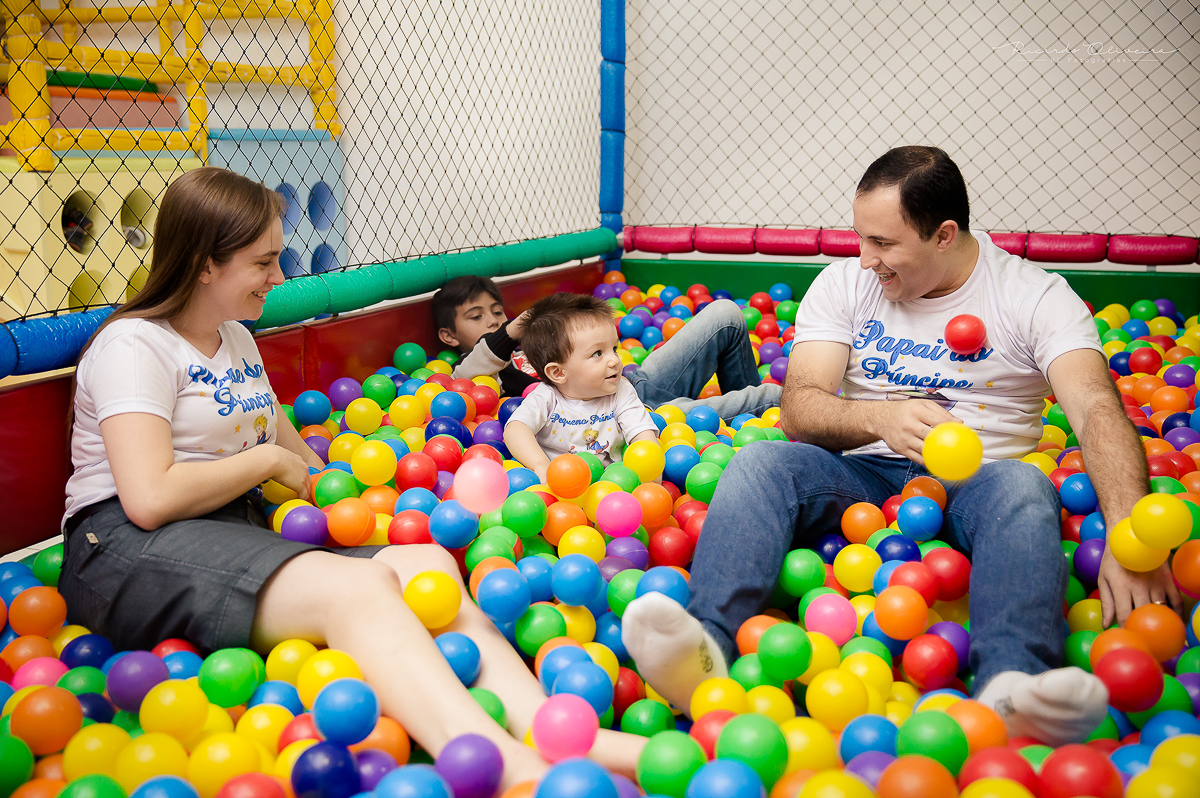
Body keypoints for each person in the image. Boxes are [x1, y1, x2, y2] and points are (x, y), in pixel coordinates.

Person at [58, 167, 643, 788]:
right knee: (360, 588)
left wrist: (360, 502)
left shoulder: (234, 340)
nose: (279, 278)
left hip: (234, 528)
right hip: (125, 548)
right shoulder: (134, 346)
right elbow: (148, 498)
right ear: (205, 263)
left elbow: (294, 457)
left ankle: (549, 729)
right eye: (264, 262)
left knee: (428, 568)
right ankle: (503, 769)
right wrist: (270, 464)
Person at [622, 146, 1181, 746]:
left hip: (981, 482)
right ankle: (706, 652)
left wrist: (1131, 532)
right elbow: (800, 406)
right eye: (861, 238)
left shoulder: (1034, 297)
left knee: (1025, 487)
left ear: (943, 235)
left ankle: (1013, 683)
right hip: (864, 475)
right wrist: (880, 420)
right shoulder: (845, 285)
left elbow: (1097, 407)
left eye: (883, 244)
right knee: (759, 462)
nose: (865, 260)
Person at [433, 275, 781, 420]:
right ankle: (775, 410)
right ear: (449, 337)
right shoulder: (478, 373)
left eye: (497, 312)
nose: (493, 321)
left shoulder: (534, 346)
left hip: (634, 381)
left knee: (726, 313)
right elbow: (471, 369)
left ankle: (746, 428)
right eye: (477, 317)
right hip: (631, 416)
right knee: (772, 395)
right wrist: (512, 329)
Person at [502, 293, 659, 482]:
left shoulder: (621, 392)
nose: (614, 360)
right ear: (558, 373)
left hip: (613, 483)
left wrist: (649, 475)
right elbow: (515, 429)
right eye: (597, 353)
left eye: (614, 349)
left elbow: (643, 435)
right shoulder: (546, 397)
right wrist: (541, 466)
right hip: (560, 485)